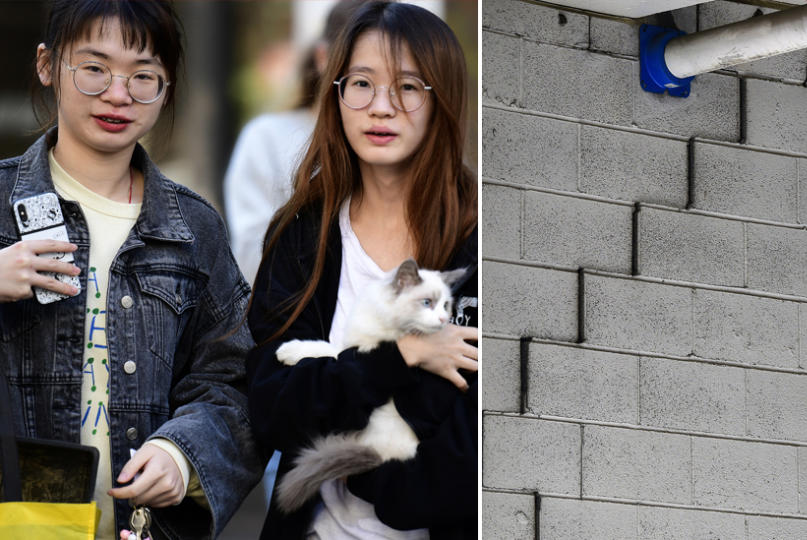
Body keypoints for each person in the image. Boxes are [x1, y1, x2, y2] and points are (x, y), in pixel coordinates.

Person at [0, 1, 261, 538]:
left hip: (143, 526)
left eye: (144, 76)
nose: (118, 94)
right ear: (48, 66)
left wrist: (181, 453)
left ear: (165, 88)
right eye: (94, 69)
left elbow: (234, 379)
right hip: (22, 520)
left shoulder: (194, 228)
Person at [245, 2, 478, 538]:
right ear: (337, 94)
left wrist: (368, 475)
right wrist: (403, 357)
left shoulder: (479, 241)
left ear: (442, 98)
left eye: (408, 87)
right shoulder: (304, 233)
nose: (381, 107)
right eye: (362, 84)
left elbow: (471, 447)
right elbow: (272, 404)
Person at [224, 0, 376, 284]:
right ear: (323, 58)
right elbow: (252, 260)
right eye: (360, 73)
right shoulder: (266, 138)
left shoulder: (391, 142)